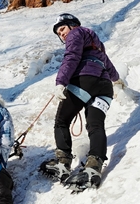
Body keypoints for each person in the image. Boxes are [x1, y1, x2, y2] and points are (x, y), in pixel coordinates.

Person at [40, 13, 120, 192]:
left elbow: (72, 57)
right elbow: (109, 66)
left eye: (62, 29)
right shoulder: (97, 44)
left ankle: (63, 162)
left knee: (61, 121)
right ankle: (94, 166)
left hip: (85, 79)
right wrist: (118, 80)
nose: (62, 35)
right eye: (59, 34)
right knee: (95, 125)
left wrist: (61, 82)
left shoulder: (76, 34)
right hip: (105, 87)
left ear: (72, 25)